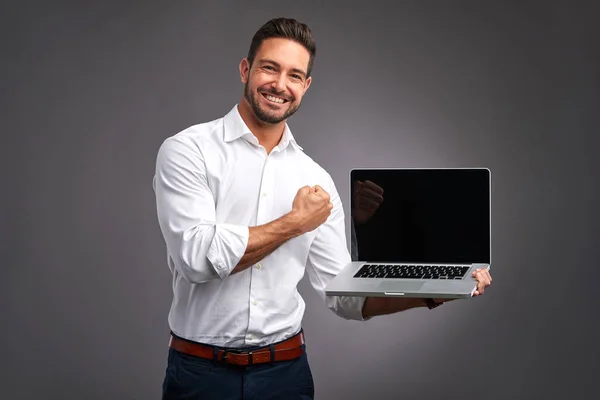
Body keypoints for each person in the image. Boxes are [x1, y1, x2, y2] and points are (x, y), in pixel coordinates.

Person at [152, 17, 492, 400]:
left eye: (294, 75)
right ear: (246, 69)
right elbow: (197, 260)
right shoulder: (188, 150)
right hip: (200, 375)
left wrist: (438, 290)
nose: (280, 85)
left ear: (306, 86)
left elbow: (345, 297)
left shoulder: (315, 179)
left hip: (286, 374)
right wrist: (296, 222)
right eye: (269, 68)